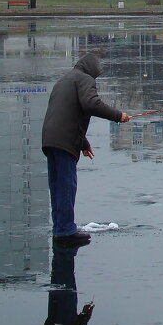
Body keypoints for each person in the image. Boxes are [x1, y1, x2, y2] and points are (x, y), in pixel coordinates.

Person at [42, 53, 129, 247]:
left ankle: (60, 228)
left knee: (56, 186)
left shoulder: (64, 79)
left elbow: (66, 113)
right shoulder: (85, 79)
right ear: (91, 70)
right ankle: (65, 231)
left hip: (50, 137)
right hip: (64, 139)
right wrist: (118, 115)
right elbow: (91, 104)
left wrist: (83, 143)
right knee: (66, 186)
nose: (95, 79)